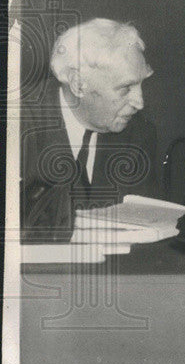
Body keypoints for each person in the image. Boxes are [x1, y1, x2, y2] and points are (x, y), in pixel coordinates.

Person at [20, 18, 158, 241]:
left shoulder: (138, 136)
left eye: (141, 84)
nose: (139, 102)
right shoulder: (16, 126)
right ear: (78, 83)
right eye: (126, 88)